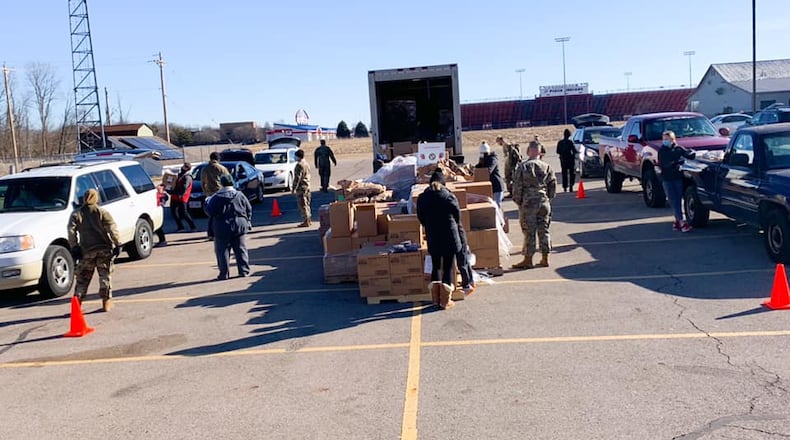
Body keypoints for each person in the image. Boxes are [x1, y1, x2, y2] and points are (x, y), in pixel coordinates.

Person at [68, 188, 122, 312]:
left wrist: (74, 246)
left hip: (86, 251)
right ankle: (106, 302)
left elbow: (71, 232)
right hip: (104, 250)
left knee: (82, 280)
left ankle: (77, 306)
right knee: (104, 277)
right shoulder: (102, 212)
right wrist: (118, 243)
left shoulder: (77, 214)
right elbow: (112, 229)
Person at [416, 169, 462, 310]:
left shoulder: (422, 198)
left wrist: (428, 225)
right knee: (447, 266)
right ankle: (445, 300)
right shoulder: (449, 196)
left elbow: (420, 217)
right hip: (449, 235)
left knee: (436, 266)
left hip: (433, 236)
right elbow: (457, 216)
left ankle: (435, 298)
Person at [512, 141, 557, 269]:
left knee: (529, 231)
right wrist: (548, 198)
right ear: (540, 152)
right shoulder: (546, 166)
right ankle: (545, 257)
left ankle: (528, 259)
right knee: (544, 230)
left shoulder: (523, 167)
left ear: (528, 151)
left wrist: (519, 201)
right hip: (543, 201)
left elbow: (517, 186)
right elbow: (552, 185)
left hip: (529, 202)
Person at [204, 175, 252, 280]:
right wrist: (247, 220)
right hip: (239, 224)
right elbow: (248, 208)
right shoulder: (239, 195)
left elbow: (210, 212)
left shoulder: (216, 197)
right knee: (241, 249)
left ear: (222, 183)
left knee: (222, 251)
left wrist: (207, 202)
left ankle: (224, 273)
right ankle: (244, 270)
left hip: (222, 226)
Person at [658, 130, 696, 232]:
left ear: (673, 139)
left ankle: (677, 221)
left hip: (677, 178)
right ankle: (682, 222)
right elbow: (665, 164)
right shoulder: (662, 151)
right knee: (673, 200)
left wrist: (692, 152)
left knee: (678, 199)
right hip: (667, 179)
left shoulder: (678, 148)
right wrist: (677, 163)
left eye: (668, 139)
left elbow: (688, 154)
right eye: (664, 139)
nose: (666, 141)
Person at [201, 152, 230, 239]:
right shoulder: (222, 168)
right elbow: (228, 180)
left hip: (210, 194)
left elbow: (203, 182)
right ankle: (223, 231)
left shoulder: (205, 169)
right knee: (224, 213)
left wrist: (205, 192)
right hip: (221, 192)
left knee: (212, 215)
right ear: (218, 159)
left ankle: (211, 234)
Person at [476, 141, 506, 207]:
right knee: (492, 206)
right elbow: (479, 166)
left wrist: (480, 171)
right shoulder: (484, 159)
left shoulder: (493, 159)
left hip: (497, 187)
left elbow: (488, 170)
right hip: (491, 187)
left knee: (497, 207)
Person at [170, 162, 197, 232]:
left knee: (184, 213)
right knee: (174, 212)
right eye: (183, 166)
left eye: (184, 167)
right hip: (175, 196)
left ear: (187, 169)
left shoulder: (187, 177)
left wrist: (180, 194)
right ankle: (180, 227)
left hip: (182, 197)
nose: (182, 168)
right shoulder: (179, 175)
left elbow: (184, 188)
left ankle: (193, 226)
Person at [292, 149, 312, 227]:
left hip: (302, 187)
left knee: (303, 204)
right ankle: (309, 220)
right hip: (307, 186)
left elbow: (297, 178)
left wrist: (294, 188)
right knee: (307, 204)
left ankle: (306, 220)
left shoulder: (299, 165)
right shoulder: (306, 163)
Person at [557, 128, 577, 192]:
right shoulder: (570, 142)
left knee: (564, 174)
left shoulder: (560, 142)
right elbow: (574, 150)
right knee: (572, 173)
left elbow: (558, 151)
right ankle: (571, 185)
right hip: (570, 159)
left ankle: (565, 187)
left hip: (563, 160)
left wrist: (562, 154)